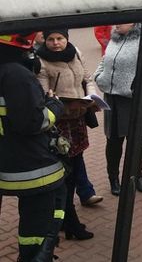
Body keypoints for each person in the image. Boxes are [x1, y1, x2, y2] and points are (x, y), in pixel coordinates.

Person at [0, 32, 66, 261]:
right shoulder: (17, 75)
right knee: (36, 231)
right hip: (32, 168)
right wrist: (54, 105)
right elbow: (33, 122)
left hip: (6, 161)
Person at [36, 29, 99, 240]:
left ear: (67, 39)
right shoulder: (41, 62)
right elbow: (45, 97)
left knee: (76, 164)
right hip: (59, 124)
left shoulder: (76, 52)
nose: (55, 43)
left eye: (60, 38)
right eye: (51, 39)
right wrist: (66, 104)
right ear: (45, 40)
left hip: (78, 120)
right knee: (65, 173)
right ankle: (69, 220)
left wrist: (92, 96)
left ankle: (65, 219)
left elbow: (87, 78)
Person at [94, 23, 142, 196]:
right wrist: (99, 77)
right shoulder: (113, 39)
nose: (116, 25)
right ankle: (113, 178)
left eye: (122, 22)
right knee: (113, 142)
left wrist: (136, 87)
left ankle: (136, 176)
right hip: (112, 99)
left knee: (136, 142)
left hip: (132, 100)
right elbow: (104, 61)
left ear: (134, 24)